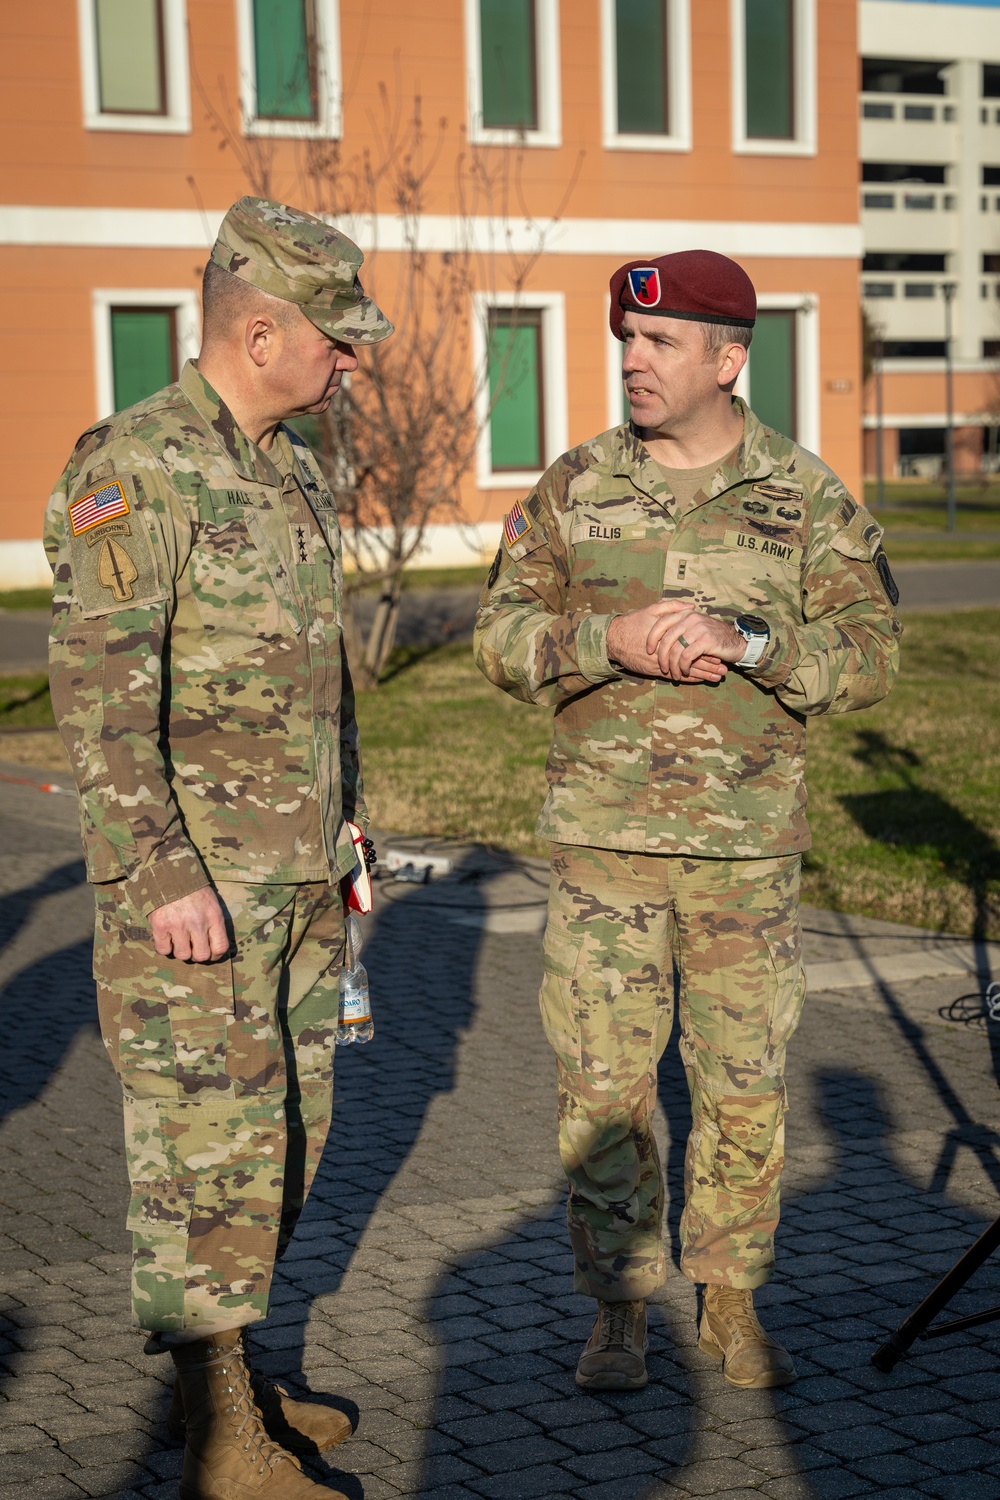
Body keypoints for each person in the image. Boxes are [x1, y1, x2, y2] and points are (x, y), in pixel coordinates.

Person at [474, 250, 901, 1392]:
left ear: (727, 357)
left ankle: (731, 1300)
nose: (632, 360)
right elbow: (498, 634)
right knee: (602, 1090)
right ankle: (618, 1309)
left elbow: (872, 655)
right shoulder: (573, 488)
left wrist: (755, 645)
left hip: (744, 855)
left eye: (658, 343)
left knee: (740, 1082)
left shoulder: (802, 498)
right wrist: (599, 641)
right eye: (625, 339)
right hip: (603, 849)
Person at [45, 196, 392, 1499]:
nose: (350, 366)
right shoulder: (133, 472)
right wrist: (160, 876)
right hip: (199, 896)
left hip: (298, 881)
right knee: (209, 1156)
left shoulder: (287, 468)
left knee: (287, 1146)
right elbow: (102, 698)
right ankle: (222, 1436)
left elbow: (319, 684)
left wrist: (351, 836)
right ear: (261, 331)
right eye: (337, 342)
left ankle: (231, 1370)